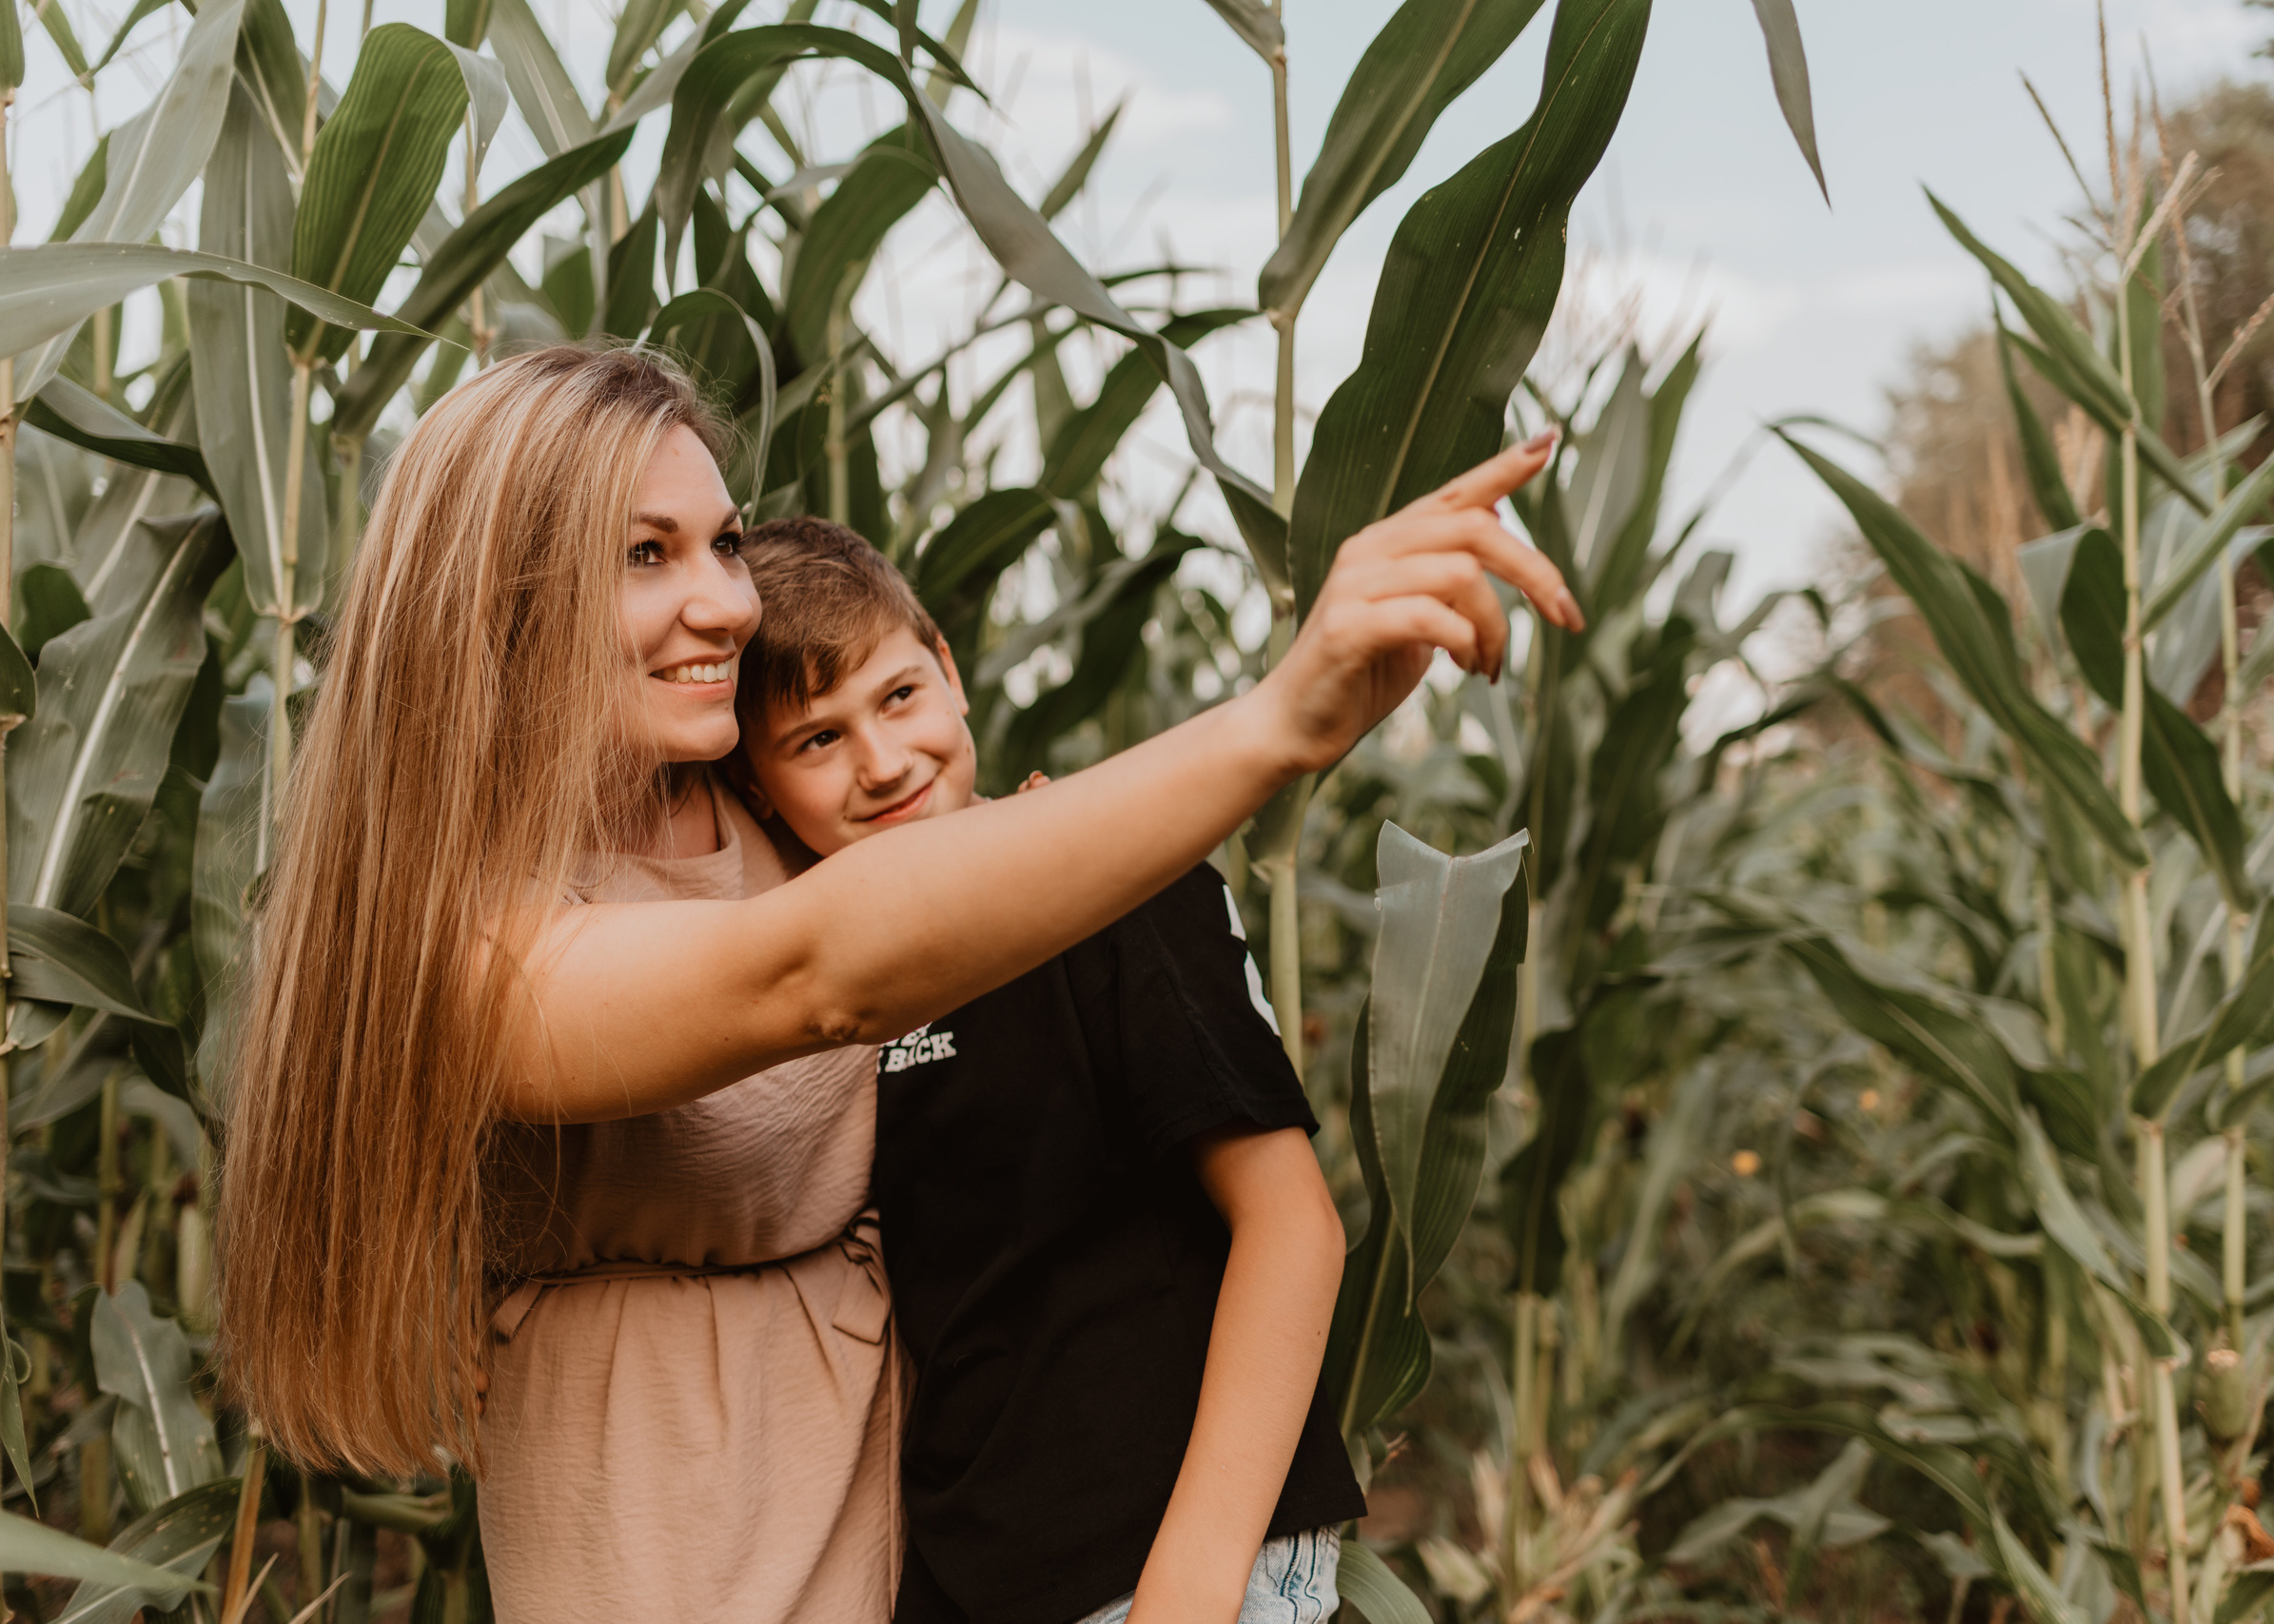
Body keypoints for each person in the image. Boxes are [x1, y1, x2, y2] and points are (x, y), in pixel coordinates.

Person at [212, 344, 1576, 1623]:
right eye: (645, 553)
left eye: (724, 539)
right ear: (500, 604)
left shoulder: (751, 790)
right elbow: (818, 974)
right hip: (671, 1533)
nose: (725, 601)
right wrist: (1279, 721)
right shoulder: (470, 938)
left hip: (924, 1541)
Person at [727, 518, 1362, 1624]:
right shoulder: (826, 1006)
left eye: (897, 696)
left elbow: (1294, 1226)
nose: (882, 764)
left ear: (952, 674)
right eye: (816, 741)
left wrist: (1196, 1579)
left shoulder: (1115, 880)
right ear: (760, 791)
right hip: (979, 1581)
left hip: (1166, 1568)